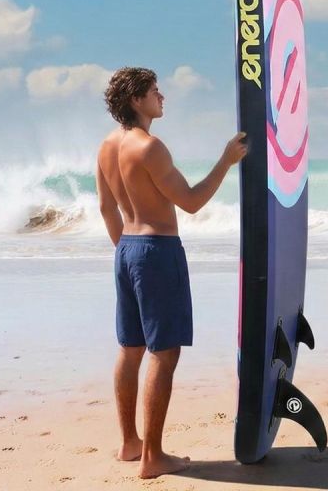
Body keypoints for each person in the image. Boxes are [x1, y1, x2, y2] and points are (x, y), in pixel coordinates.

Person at [95, 66, 247, 479]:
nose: (161, 97)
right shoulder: (150, 148)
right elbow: (192, 201)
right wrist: (227, 160)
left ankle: (130, 443)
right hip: (156, 252)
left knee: (130, 348)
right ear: (136, 100)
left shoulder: (106, 147)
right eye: (154, 91)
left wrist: (127, 253)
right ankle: (152, 456)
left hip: (126, 250)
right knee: (164, 354)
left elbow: (107, 208)